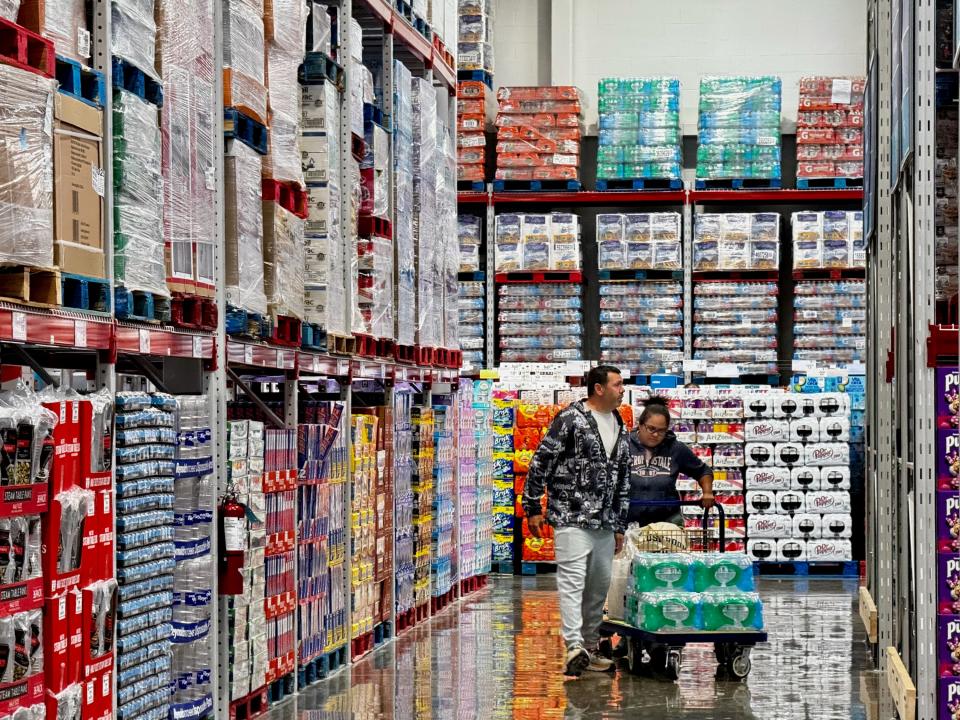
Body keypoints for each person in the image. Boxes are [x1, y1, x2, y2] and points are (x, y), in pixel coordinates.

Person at [523, 365, 631, 677]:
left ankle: (590, 647)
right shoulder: (571, 419)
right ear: (599, 388)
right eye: (617, 384)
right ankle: (573, 646)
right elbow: (541, 460)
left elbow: (623, 477)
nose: (622, 389)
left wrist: (620, 524)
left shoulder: (619, 423)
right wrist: (532, 506)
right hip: (570, 515)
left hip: (605, 522)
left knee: (598, 587)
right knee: (572, 582)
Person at [628, 395, 714, 528]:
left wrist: (707, 492)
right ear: (640, 425)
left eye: (661, 431)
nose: (656, 434)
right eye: (651, 428)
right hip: (630, 520)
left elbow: (703, 471)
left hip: (667, 521)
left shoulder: (675, 448)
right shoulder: (625, 446)